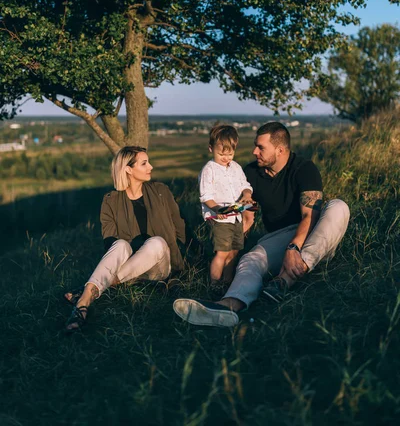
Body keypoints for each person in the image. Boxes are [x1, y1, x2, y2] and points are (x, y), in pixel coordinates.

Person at [173, 122, 350, 327]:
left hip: (316, 235)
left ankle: (283, 281)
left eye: (261, 147)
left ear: (280, 150)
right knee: (250, 260)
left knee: (338, 206)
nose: (254, 151)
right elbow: (247, 215)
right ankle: (227, 306)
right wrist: (233, 247)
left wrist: (294, 249)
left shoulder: (304, 169)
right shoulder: (252, 173)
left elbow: (309, 216)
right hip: (279, 237)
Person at [65, 145, 186, 333]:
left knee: (157, 242)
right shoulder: (110, 201)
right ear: (128, 169)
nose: (151, 167)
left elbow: (180, 225)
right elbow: (109, 242)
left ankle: (92, 288)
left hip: (158, 268)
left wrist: (193, 254)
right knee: (119, 244)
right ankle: (83, 305)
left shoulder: (161, 191)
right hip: (129, 270)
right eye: (144, 163)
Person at [199, 124, 254, 285]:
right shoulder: (209, 170)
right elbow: (206, 196)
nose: (226, 158)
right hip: (220, 218)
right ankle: (215, 285)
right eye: (221, 154)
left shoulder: (235, 167)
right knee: (222, 253)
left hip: (236, 216)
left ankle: (227, 281)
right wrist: (217, 209)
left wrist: (247, 194)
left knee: (234, 251)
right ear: (211, 149)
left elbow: (245, 184)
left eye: (230, 154)